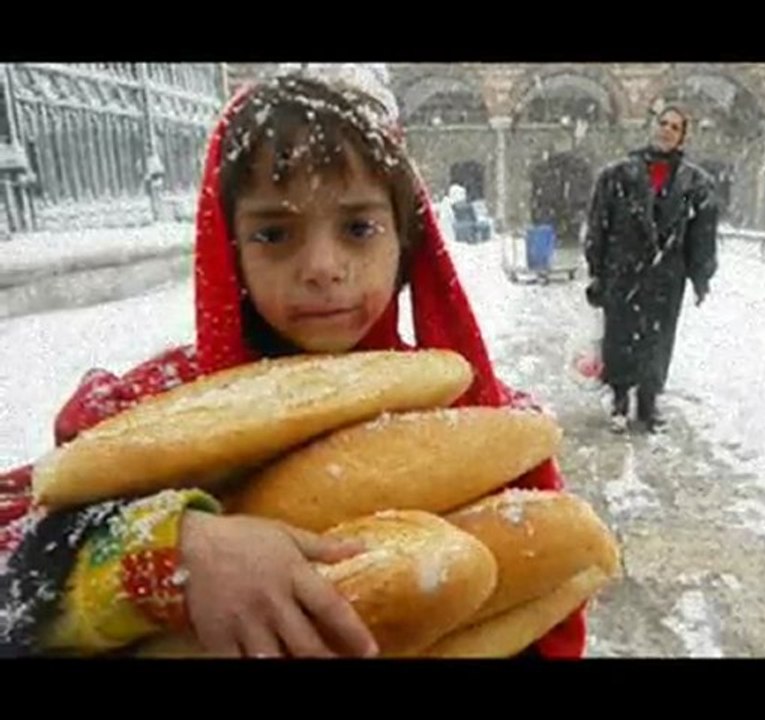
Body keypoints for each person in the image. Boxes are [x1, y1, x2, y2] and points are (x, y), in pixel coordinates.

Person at [0, 71, 585, 658]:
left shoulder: (480, 423)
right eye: (275, 232)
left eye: (358, 227)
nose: (323, 266)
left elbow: (550, 593)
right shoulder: (154, 407)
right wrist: (176, 546)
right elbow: (16, 556)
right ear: (229, 249)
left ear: (405, 243)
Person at [584, 106, 718, 433]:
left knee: (657, 340)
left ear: (683, 136)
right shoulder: (616, 175)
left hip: (666, 276)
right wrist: (597, 269)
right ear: (652, 127)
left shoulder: (696, 183)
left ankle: (648, 401)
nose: (667, 130)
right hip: (622, 271)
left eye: (676, 126)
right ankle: (618, 400)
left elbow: (702, 236)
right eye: (663, 123)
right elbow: (598, 225)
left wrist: (701, 277)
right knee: (620, 336)